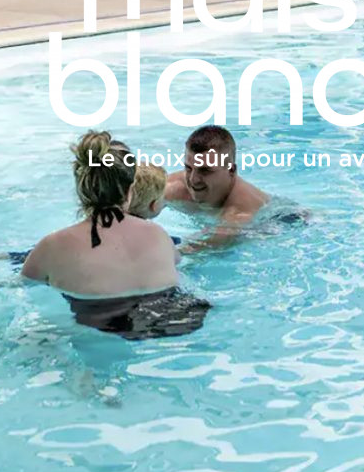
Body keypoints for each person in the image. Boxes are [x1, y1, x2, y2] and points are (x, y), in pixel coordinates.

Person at [18, 130, 209, 338]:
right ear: (130, 190)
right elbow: (178, 264)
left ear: (81, 189)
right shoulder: (159, 235)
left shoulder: (52, 246)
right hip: (174, 316)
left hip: (96, 322)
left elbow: (23, 284)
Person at [166, 124, 269, 235]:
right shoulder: (175, 186)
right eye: (188, 168)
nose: (193, 180)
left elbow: (207, 244)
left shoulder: (239, 212)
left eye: (205, 170)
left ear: (231, 170)